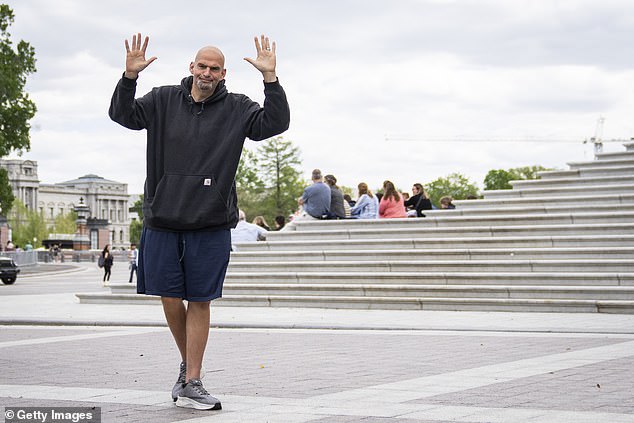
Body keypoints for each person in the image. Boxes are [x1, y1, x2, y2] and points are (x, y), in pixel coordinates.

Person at [109, 33, 290, 410]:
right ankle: (188, 366)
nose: (207, 73)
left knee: (201, 300)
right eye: (201, 66)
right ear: (191, 67)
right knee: (170, 297)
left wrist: (270, 80)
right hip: (163, 217)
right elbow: (122, 115)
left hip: (209, 222)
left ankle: (193, 379)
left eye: (214, 69)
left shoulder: (238, 108)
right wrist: (129, 78)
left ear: (224, 74)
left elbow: (275, 123)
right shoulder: (161, 100)